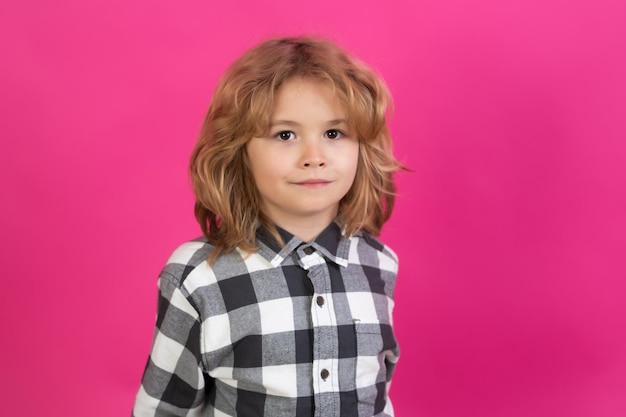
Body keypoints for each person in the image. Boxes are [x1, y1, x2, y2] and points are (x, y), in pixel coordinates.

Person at [132, 36, 403, 417]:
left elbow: (377, 399)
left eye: (334, 133)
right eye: (285, 135)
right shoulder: (197, 277)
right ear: (239, 150)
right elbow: (162, 410)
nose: (314, 157)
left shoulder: (379, 265)